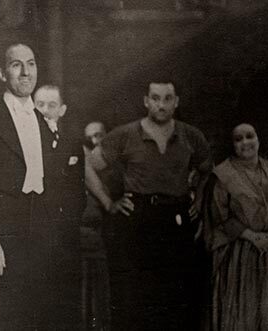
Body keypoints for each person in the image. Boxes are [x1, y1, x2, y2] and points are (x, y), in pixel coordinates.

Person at [0, 43, 83, 330]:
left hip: (44, 234)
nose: (24, 72)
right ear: (1, 73)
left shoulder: (43, 122)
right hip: (6, 234)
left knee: (43, 314)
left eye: (30, 64)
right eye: (16, 65)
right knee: (8, 316)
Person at [91, 79, 212, 329]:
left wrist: (198, 199)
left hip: (177, 220)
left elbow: (207, 171)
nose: (161, 104)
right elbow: (89, 166)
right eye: (156, 98)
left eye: (168, 98)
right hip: (137, 219)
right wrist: (108, 202)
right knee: (136, 298)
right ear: (146, 101)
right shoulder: (125, 134)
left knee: (177, 297)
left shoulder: (191, 135)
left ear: (176, 102)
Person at [203, 123, 268, 330]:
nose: (245, 142)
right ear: (233, 145)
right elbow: (219, 214)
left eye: (249, 136)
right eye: (238, 139)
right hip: (240, 254)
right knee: (243, 310)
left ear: (258, 139)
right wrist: (252, 237)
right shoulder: (223, 175)